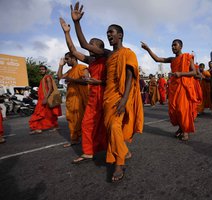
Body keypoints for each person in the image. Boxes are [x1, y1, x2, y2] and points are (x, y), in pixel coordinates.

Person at [71, 2, 144, 182]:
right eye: (107, 33)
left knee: (114, 127)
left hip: (120, 97)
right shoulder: (107, 54)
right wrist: (76, 23)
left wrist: (124, 99)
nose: (108, 35)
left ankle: (119, 164)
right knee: (112, 130)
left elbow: (129, 77)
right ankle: (124, 151)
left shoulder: (128, 53)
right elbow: (83, 45)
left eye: (111, 32)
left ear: (120, 35)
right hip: (107, 98)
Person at [60, 17, 107, 163]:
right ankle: (88, 152)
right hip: (93, 97)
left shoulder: (108, 58)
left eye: (92, 45)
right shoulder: (90, 61)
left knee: (108, 126)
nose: (89, 47)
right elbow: (73, 50)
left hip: (106, 96)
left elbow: (114, 80)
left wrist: (98, 81)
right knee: (87, 124)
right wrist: (67, 33)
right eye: (89, 45)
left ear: (100, 48)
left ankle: (118, 149)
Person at [141, 39, 198, 141]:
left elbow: (194, 73)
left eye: (175, 45)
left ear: (181, 46)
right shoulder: (172, 59)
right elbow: (158, 59)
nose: (173, 47)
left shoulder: (187, 57)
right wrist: (148, 49)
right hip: (174, 88)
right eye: (172, 45)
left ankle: (185, 131)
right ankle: (181, 128)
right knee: (174, 109)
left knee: (182, 109)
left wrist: (181, 74)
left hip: (183, 87)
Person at [57, 52, 89, 147]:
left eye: (67, 59)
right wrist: (60, 66)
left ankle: (88, 141)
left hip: (81, 99)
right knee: (72, 119)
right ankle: (74, 139)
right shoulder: (70, 71)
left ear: (74, 58)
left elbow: (86, 81)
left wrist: (72, 80)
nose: (66, 61)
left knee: (83, 120)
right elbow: (59, 78)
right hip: (72, 99)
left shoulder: (82, 67)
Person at [29, 65, 62, 134]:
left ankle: (38, 128)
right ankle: (52, 126)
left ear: (46, 70)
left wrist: (45, 98)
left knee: (39, 113)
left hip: (44, 98)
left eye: (43, 69)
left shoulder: (47, 77)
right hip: (42, 98)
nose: (41, 71)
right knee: (48, 114)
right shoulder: (43, 78)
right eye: (40, 70)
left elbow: (50, 88)